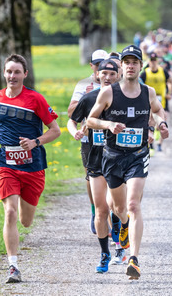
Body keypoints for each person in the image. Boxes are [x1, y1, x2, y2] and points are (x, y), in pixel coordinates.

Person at [85, 44, 170, 280]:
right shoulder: (108, 93)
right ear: (121, 66)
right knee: (118, 208)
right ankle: (123, 226)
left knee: (133, 206)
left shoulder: (148, 92)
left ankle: (134, 258)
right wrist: (109, 124)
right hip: (112, 157)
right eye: (127, 62)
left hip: (138, 155)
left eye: (135, 62)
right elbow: (91, 120)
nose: (130, 66)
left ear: (140, 66)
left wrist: (161, 124)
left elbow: (158, 112)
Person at [0, 54, 61, 284]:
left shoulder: (36, 99)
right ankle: (13, 266)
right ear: (4, 73)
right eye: (9, 71)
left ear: (25, 74)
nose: (12, 76)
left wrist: (36, 141)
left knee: (25, 220)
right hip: (6, 163)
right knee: (10, 212)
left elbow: (55, 130)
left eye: (17, 72)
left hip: (33, 166)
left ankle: (15, 256)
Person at [68, 57, 122, 273]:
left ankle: (120, 240)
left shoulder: (126, 98)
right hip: (95, 159)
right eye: (104, 73)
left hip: (119, 160)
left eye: (112, 74)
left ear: (118, 75)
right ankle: (105, 253)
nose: (107, 77)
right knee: (101, 209)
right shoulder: (89, 98)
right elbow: (72, 120)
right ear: (97, 75)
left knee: (116, 206)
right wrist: (76, 132)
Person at [67, 49, 108, 234]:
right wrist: (88, 97)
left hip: (111, 137)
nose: (100, 68)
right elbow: (71, 112)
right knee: (91, 177)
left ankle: (110, 215)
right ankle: (95, 212)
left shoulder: (116, 83)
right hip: (89, 138)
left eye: (104, 64)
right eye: (97, 64)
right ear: (91, 66)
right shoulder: (83, 84)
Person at [142, 52, 172, 151]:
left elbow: (170, 81)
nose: (153, 62)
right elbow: (139, 85)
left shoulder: (163, 71)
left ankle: (159, 142)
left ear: (157, 61)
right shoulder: (145, 73)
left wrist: (170, 92)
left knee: (163, 120)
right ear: (149, 61)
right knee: (151, 122)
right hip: (149, 101)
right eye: (152, 60)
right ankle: (151, 144)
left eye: (155, 60)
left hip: (162, 100)